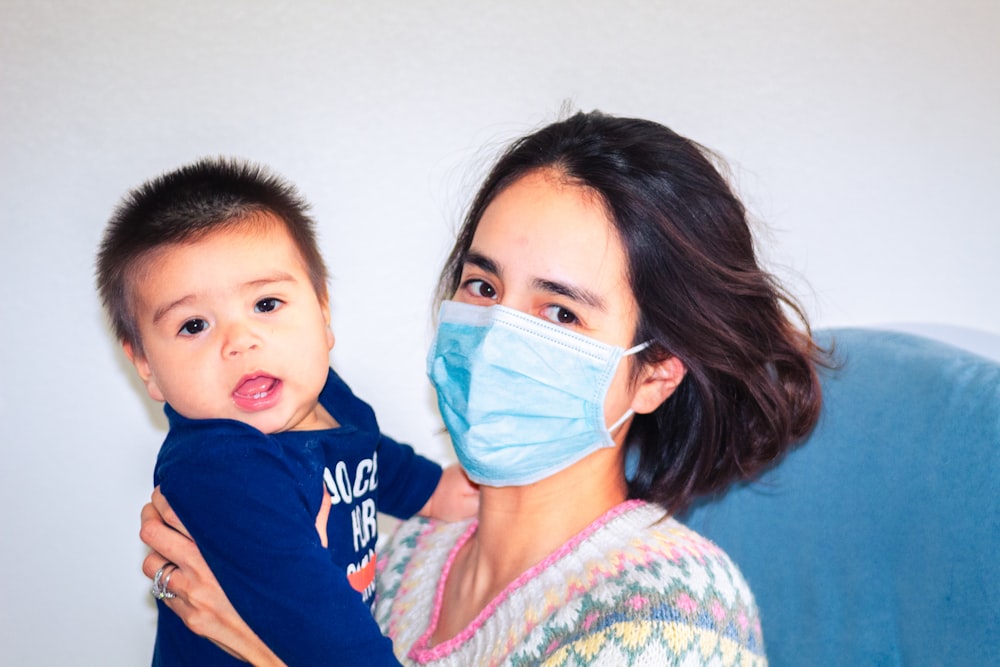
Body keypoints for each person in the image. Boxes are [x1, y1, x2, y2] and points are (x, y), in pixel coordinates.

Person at [139, 111, 826, 665]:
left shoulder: (674, 613)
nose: (496, 335)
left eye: (560, 311)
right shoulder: (398, 553)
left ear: (655, 372)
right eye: (483, 286)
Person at [96, 158, 478, 666]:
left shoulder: (324, 398)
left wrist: (431, 491)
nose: (240, 342)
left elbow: (370, 455)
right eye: (194, 326)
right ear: (146, 364)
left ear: (322, 314)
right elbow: (324, 631)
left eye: (266, 304)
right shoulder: (223, 472)